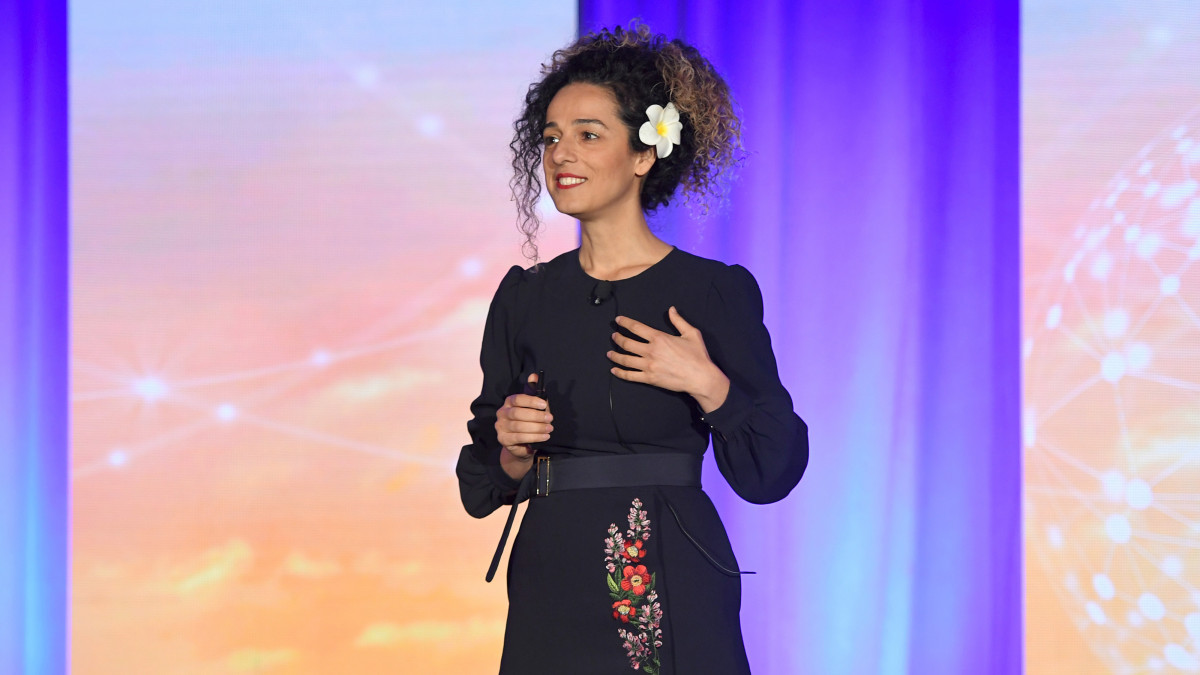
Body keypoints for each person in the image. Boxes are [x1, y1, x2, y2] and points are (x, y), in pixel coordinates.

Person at [456, 24, 808, 675]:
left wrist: (710, 386)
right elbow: (479, 485)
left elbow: (772, 470)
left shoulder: (710, 292)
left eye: (589, 135)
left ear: (645, 154)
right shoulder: (524, 298)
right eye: (552, 137)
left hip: (667, 575)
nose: (563, 153)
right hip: (550, 583)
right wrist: (510, 451)